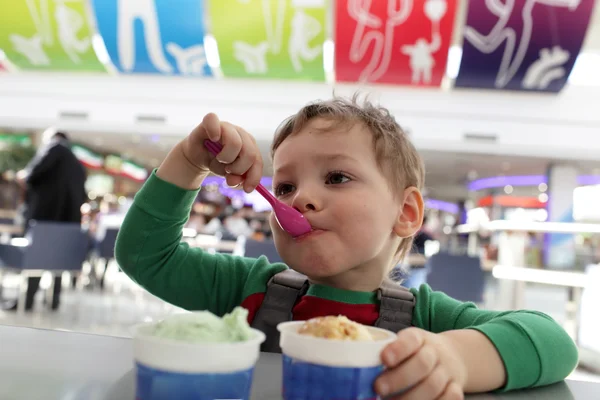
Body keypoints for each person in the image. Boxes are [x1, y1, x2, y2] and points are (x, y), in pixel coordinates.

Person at [115, 97, 578, 398]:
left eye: (336, 177)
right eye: (287, 185)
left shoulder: (428, 319)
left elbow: (552, 341)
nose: (301, 198)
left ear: (406, 213)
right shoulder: (249, 288)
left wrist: (455, 358)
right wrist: (190, 162)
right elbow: (145, 255)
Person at [12, 131, 87, 311]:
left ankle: (27, 301)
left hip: (44, 218)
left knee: (36, 259)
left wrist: (23, 175)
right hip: (68, 223)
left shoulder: (52, 149)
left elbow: (31, 175)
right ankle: (54, 301)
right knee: (58, 261)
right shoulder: (77, 164)